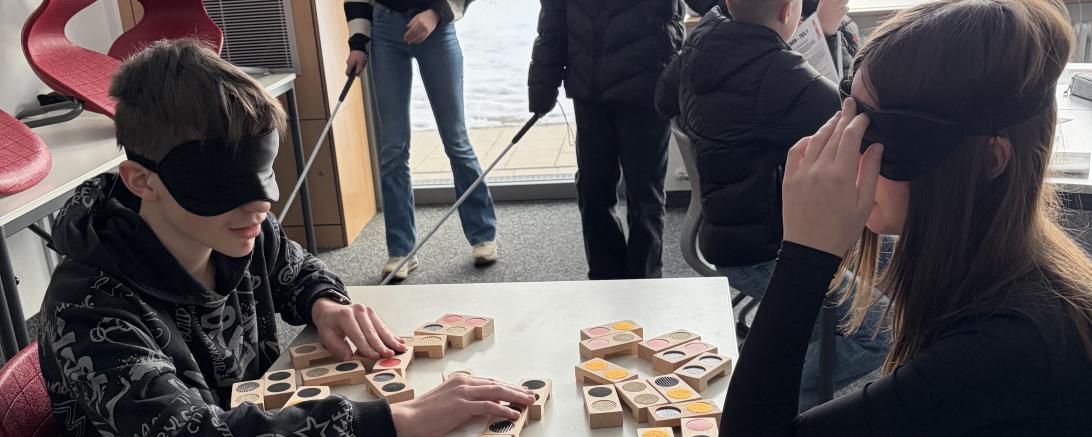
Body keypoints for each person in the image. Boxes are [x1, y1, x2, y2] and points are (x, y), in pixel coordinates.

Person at [37, 39, 534, 437]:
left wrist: (324, 303)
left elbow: (296, 270)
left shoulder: (239, 226)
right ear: (142, 181)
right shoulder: (88, 309)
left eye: (263, 175)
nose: (263, 204)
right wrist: (395, 421)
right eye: (222, 183)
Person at [723, 0, 1092, 434]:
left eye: (875, 133)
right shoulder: (974, 275)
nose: (847, 157)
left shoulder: (1008, 347)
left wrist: (805, 254)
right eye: (848, 118)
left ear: (990, 160)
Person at [655, 0, 883, 411]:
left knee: (889, 257)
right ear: (788, 11)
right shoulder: (780, 72)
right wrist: (831, 35)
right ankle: (761, 404)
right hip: (765, 248)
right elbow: (859, 128)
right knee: (880, 332)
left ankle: (792, 356)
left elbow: (662, 100)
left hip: (730, 229)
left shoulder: (702, 39)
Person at [528, 0, 711, 280]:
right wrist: (542, 83)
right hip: (591, 88)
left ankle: (644, 281)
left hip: (647, 85)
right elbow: (553, 19)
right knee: (594, 190)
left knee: (644, 194)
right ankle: (606, 278)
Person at [344, 0, 498, 281]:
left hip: (436, 27)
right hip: (385, 28)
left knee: (456, 141)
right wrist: (357, 42)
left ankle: (483, 235)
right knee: (393, 148)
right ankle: (401, 250)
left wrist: (436, 13)